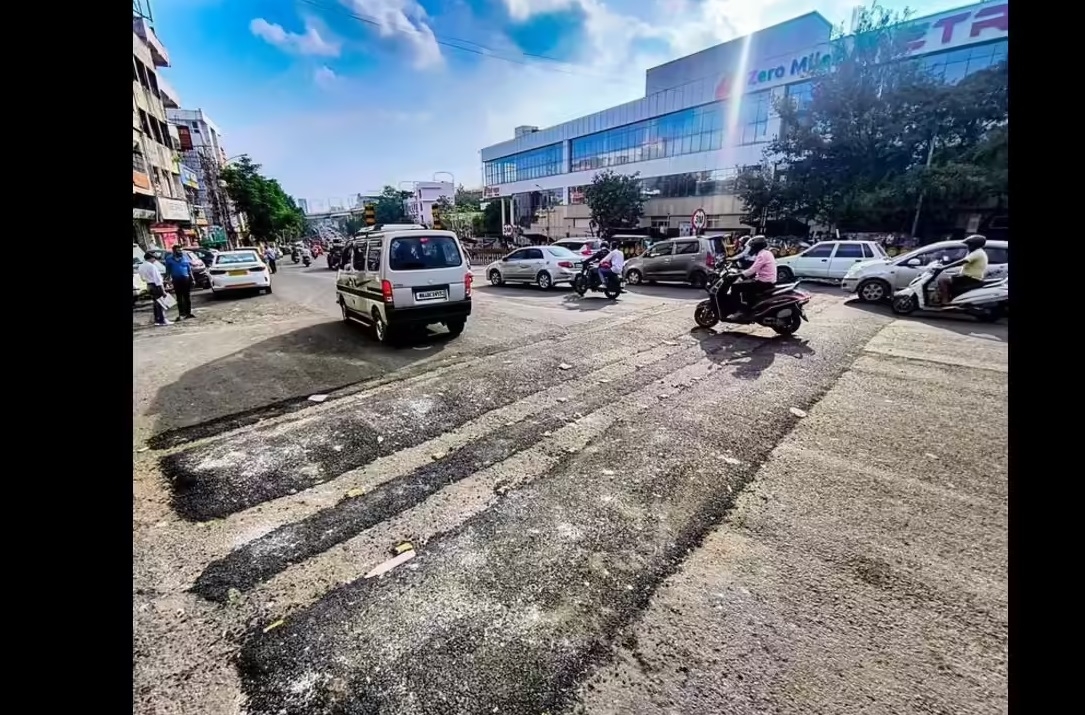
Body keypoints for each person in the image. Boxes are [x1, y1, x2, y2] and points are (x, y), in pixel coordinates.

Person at [936, 234, 988, 305]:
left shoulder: (977, 253)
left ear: (975, 245)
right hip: (968, 277)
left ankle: (945, 301)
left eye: (969, 245)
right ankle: (951, 299)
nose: (968, 247)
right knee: (950, 279)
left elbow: (963, 261)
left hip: (970, 278)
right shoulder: (976, 252)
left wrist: (944, 267)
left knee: (942, 281)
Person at [730, 235, 777, 312]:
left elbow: (753, 269)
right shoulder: (766, 253)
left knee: (735, 286)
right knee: (747, 284)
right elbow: (753, 267)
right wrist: (743, 272)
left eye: (753, 247)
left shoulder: (762, 255)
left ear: (757, 247)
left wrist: (740, 274)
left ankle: (739, 309)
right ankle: (750, 305)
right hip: (767, 280)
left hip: (764, 282)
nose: (751, 249)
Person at [164, 244, 196, 320]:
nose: (180, 252)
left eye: (181, 250)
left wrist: (193, 279)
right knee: (179, 297)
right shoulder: (169, 259)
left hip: (186, 279)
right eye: (178, 250)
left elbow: (189, 270)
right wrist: (167, 280)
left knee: (187, 297)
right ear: (174, 251)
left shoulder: (185, 258)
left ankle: (188, 313)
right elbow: (168, 271)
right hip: (176, 280)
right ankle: (181, 314)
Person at [139, 252, 170, 326]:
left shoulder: (141, 266)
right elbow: (158, 279)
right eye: (154, 258)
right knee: (161, 303)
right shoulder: (152, 266)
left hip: (149, 285)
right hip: (156, 285)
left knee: (155, 303)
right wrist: (163, 290)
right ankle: (162, 320)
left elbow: (142, 278)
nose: (155, 260)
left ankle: (157, 319)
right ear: (151, 258)